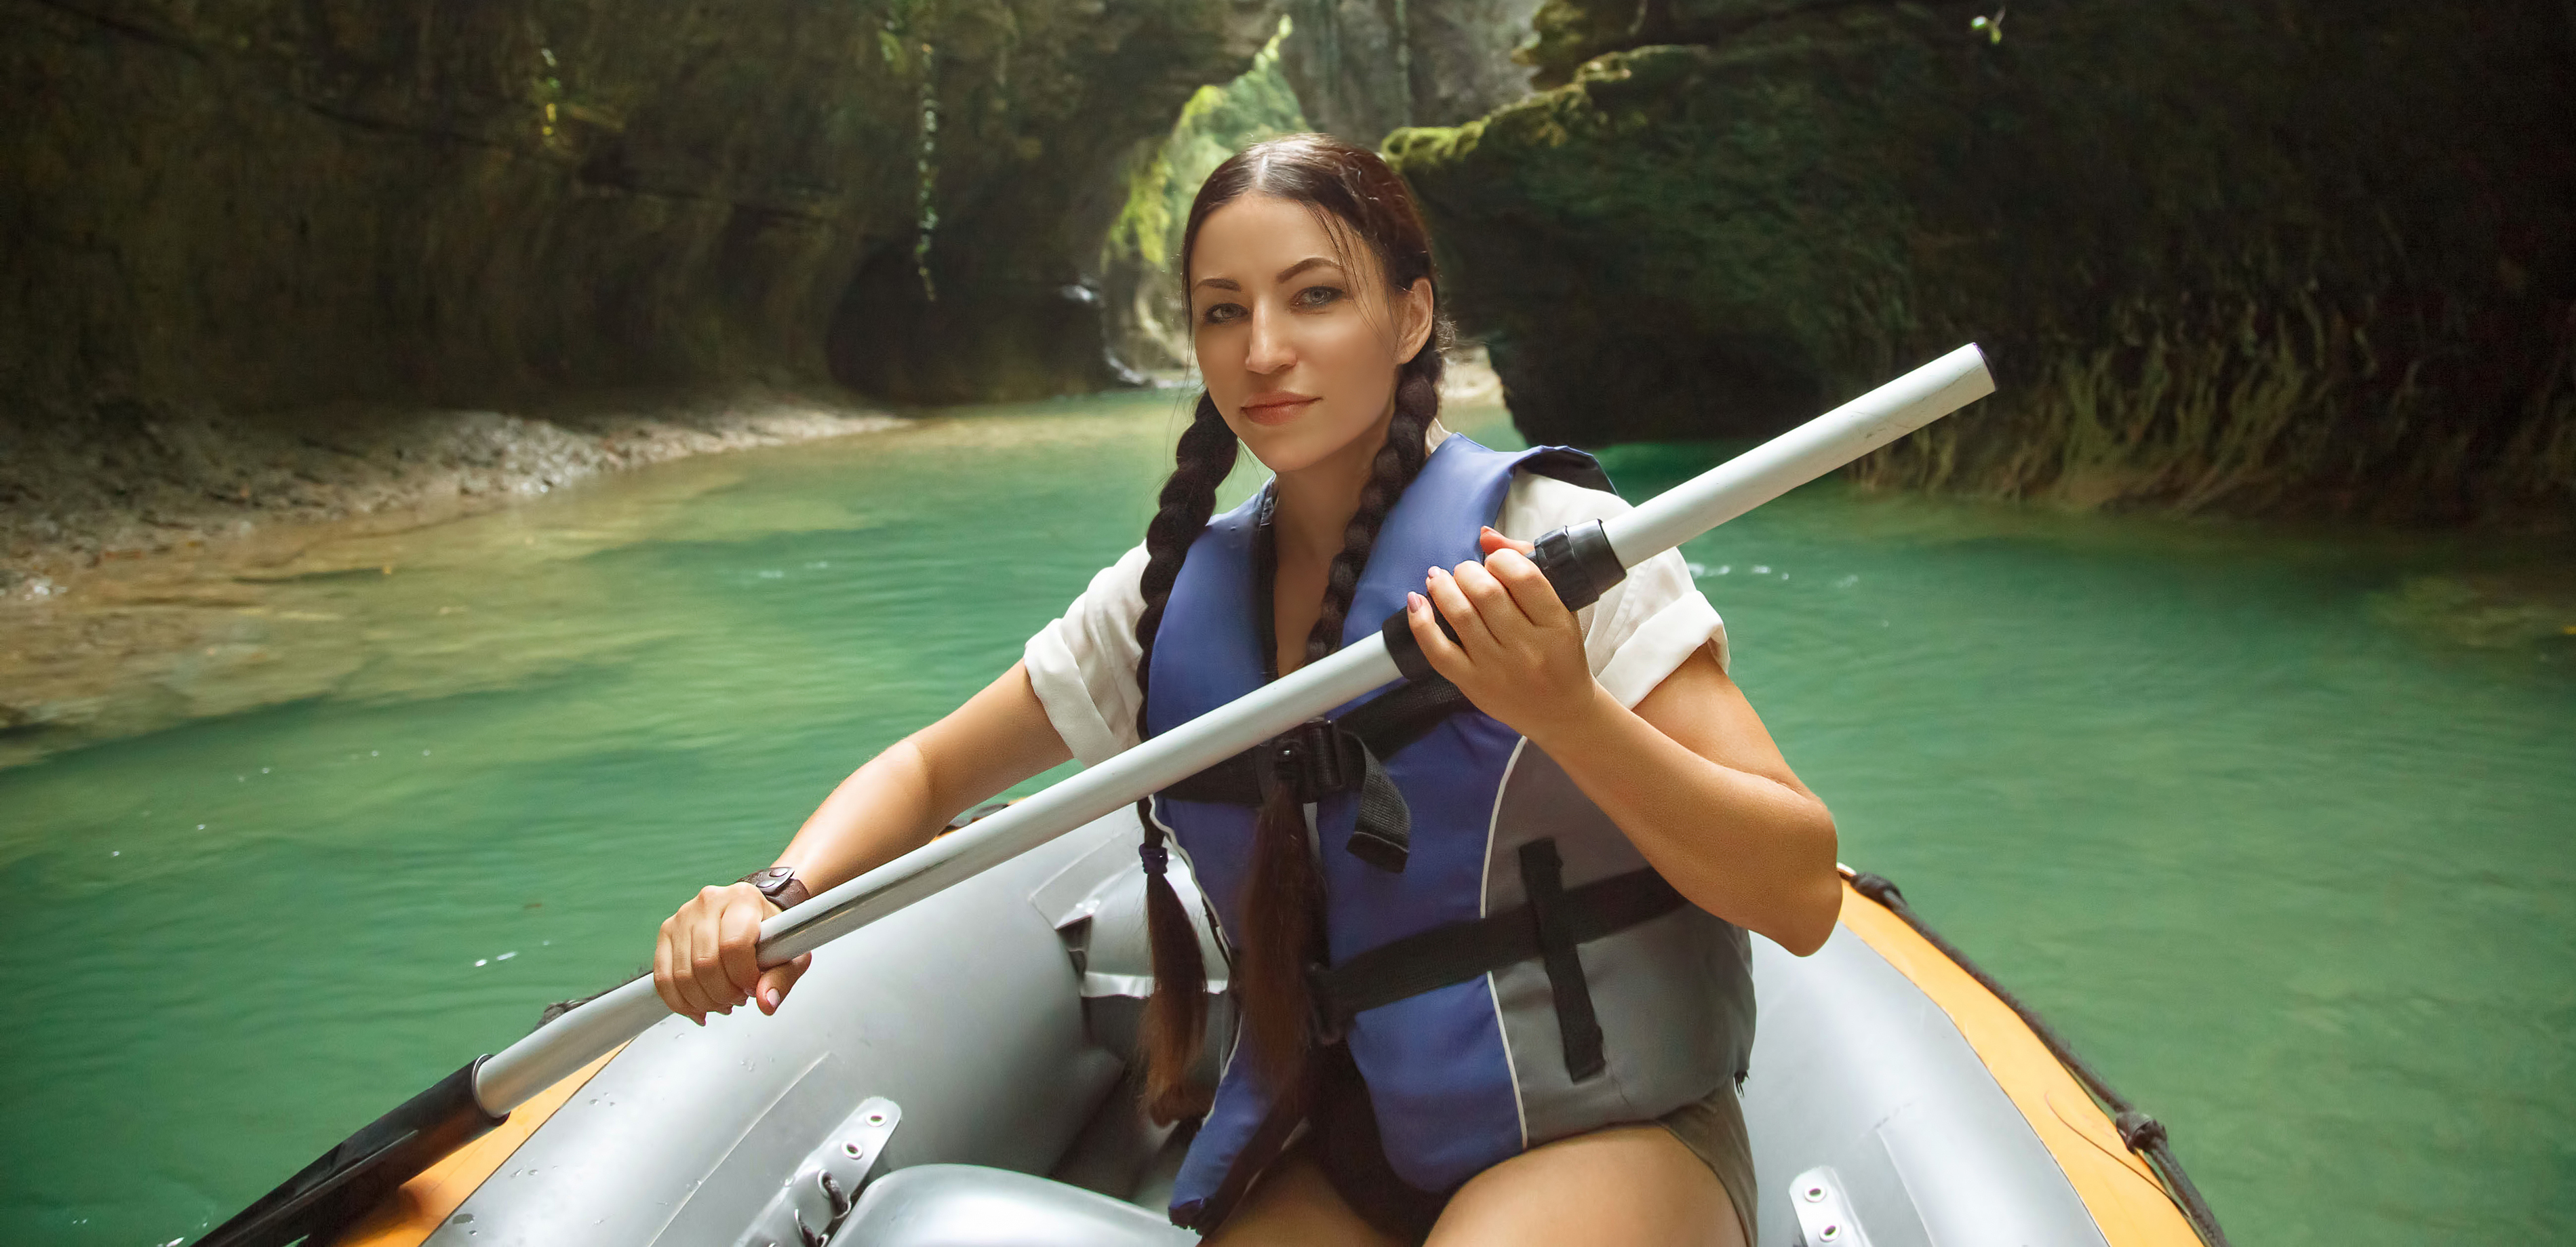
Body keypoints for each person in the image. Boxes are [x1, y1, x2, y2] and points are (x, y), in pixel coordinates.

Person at [652, 136, 1841, 1246]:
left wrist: (1565, 713)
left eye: (1315, 297)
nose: (1262, 348)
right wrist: (778, 892)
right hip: (1343, 1136)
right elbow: (929, 771)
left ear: (1411, 315)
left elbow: (1798, 891)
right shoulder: (1164, 599)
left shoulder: (1560, 543)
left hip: (1609, 1125)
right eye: (1224, 312)